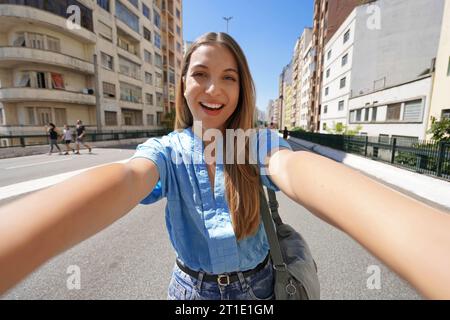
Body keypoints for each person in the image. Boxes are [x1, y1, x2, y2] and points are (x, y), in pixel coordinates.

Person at [0, 32, 450, 299]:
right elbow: (126, 177)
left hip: (259, 290)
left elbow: (295, 171)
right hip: (190, 293)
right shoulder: (168, 150)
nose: (213, 88)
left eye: (228, 77)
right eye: (200, 73)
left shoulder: (252, 143)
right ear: (183, 84)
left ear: (242, 88)